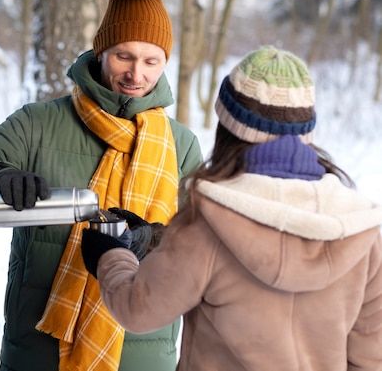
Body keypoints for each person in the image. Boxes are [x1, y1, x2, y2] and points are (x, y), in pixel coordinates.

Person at [0, 0, 203, 371]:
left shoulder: (181, 144)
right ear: (101, 50)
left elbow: (204, 247)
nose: (136, 73)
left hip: (141, 355)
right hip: (39, 353)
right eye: (123, 55)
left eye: (152, 61)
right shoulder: (38, 123)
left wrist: (153, 240)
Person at [80, 46, 382, 371]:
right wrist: (158, 238)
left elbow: (139, 309)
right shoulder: (360, 231)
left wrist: (109, 255)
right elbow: (370, 358)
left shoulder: (208, 221)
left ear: (229, 128)